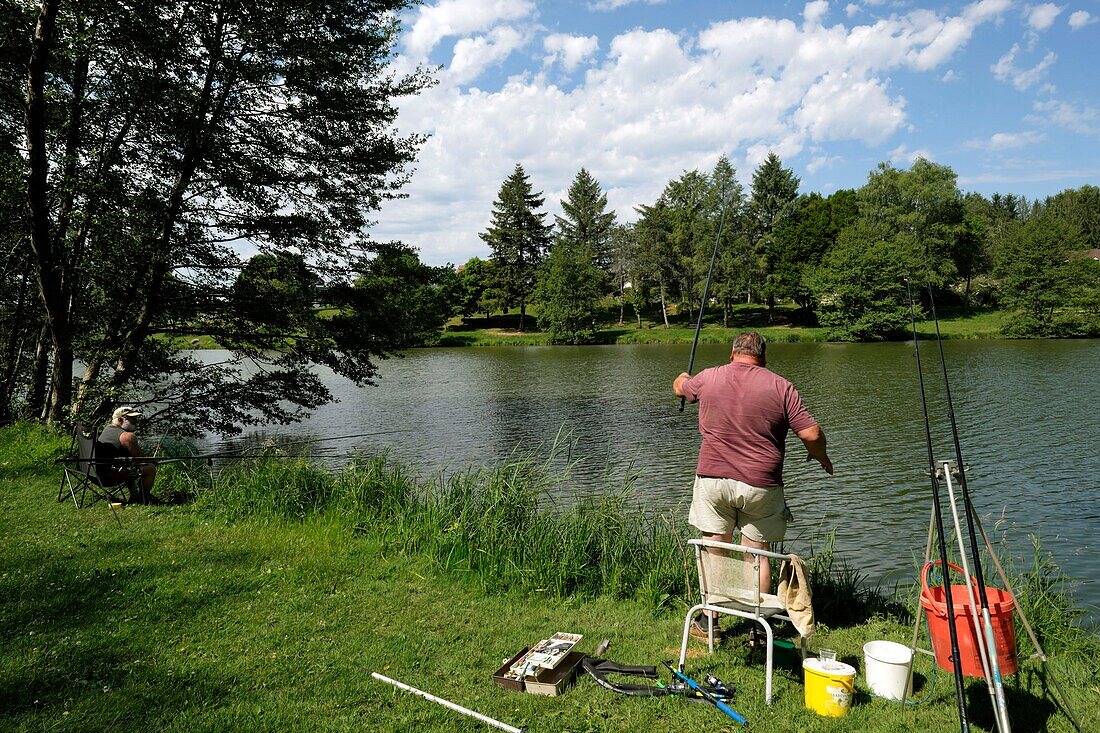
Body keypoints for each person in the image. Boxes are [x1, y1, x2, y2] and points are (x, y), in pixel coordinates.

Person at [673, 332, 832, 639]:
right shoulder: (780, 386)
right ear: (763, 357)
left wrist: (682, 379)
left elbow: (681, 388)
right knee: (756, 553)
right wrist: (820, 456)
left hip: (713, 480)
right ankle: (759, 626)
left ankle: (709, 622)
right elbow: (811, 434)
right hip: (761, 485)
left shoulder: (709, 377)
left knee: (714, 548)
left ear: (733, 353)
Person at [99, 406, 160, 505]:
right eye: (131, 419)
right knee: (150, 468)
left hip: (93, 472)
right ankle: (144, 499)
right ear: (119, 419)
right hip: (108, 476)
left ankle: (135, 496)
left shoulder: (106, 430)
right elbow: (141, 460)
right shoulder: (127, 436)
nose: (135, 421)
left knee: (129, 465)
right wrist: (153, 461)